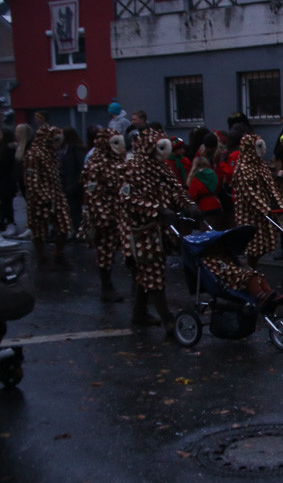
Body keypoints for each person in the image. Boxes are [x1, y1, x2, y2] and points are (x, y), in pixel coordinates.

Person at [119, 128, 200, 332]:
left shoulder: (161, 167)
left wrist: (189, 205)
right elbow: (127, 199)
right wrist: (158, 209)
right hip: (140, 230)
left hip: (160, 228)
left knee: (147, 271)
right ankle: (168, 320)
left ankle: (139, 313)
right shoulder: (132, 168)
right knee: (153, 271)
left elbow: (176, 189)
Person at [80, 128, 130, 302]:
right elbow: (92, 193)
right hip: (106, 215)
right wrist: (103, 218)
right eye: (114, 143)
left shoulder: (118, 161)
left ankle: (136, 287)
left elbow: (125, 186)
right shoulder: (96, 164)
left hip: (121, 212)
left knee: (126, 249)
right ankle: (106, 287)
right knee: (106, 251)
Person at [232, 133, 283, 269]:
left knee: (263, 245)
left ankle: (250, 268)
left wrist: (281, 204)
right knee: (252, 245)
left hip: (263, 212)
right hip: (249, 214)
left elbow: (271, 187)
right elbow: (249, 194)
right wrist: (265, 208)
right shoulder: (243, 168)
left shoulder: (261, 165)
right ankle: (247, 270)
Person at [23, 122, 72, 268]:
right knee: (39, 228)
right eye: (55, 140)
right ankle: (41, 257)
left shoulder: (52, 154)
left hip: (56, 194)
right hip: (39, 197)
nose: (58, 144)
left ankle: (59, 254)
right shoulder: (33, 154)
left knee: (64, 225)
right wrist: (42, 197)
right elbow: (31, 179)